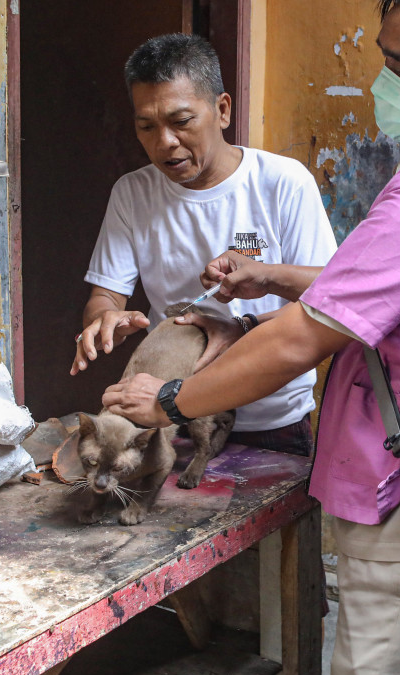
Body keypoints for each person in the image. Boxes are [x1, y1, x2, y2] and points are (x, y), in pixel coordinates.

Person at [102, 2, 400, 675]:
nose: (380, 82)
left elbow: (301, 340)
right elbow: (377, 283)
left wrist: (171, 400)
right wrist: (270, 277)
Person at [72, 33, 336, 457]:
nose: (164, 142)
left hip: (269, 418)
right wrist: (106, 320)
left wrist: (243, 326)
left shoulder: (283, 183)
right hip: (168, 416)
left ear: (222, 110)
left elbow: (329, 296)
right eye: (146, 126)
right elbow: (106, 296)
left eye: (181, 121)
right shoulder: (132, 192)